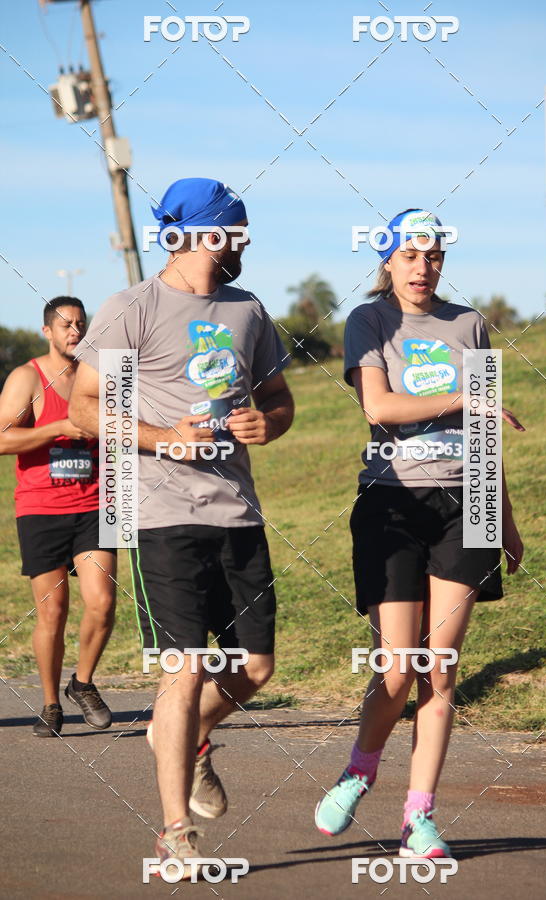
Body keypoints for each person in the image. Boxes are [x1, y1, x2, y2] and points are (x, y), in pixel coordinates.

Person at [69, 178, 294, 874]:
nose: (245, 245)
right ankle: (175, 832)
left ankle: (184, 737)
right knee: (186, 667)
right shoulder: (132, 308)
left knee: (255, 667)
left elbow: (279, 398)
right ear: (206, 234)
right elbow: (84, 407)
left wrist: (268, 423)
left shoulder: (248, 310)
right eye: (238, 233)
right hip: (163, 513)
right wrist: (163, 436)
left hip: (239, 513)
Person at [314, 209, 524, 858]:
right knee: (399, 667)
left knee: (441, 669)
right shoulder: (369, 321)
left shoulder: (469, 324)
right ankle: (360, 770)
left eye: (432, 256)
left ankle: (420, 817)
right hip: (393, 502)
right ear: (387, 261)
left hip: (468, 503)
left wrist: (505, 516)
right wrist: (462, 398)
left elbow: (485, 430)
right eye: (409, 255)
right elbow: (379, 407)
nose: (422, 267)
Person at [0, 297, 116, 737]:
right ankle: (50, 704)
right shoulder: (27, 377)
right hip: (41, 509)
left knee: (102, 604)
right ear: (47, 331)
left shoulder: (100, 376)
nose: (75, 332)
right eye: (66, 325)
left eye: (81, 324)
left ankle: (81, 683)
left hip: (95, 505)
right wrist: (57, 428)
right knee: (53, 612)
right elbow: (2, 439)